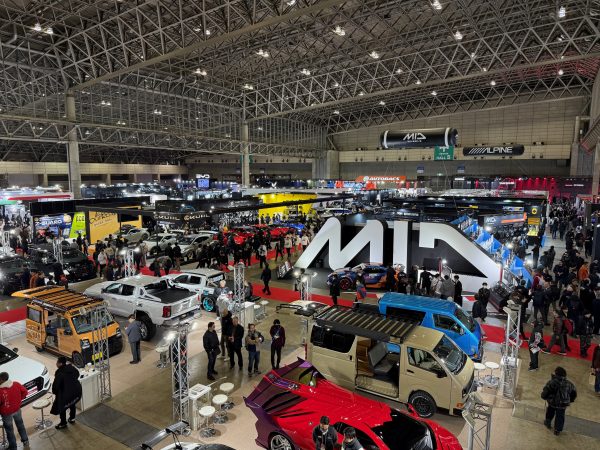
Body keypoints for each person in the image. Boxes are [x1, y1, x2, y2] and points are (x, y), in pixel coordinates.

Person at [541, 366, 577, 436]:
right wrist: (570, 400)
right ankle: (557, 430)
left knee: (550, 412)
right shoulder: (569, 384)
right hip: (563, 404)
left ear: (556, 374)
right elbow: (574, 394)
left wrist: (544, 396)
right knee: (560, 416)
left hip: (552, 402)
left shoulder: (551, 382)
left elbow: (546, 391)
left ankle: (548, 422)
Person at [50, 356, 82, 430]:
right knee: (72, 404)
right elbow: (77, 374)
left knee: (62, 408)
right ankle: (72, 418)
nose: (56, 364)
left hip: (65, 394)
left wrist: (56, 392)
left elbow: (56, 386)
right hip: (75, 391)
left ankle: (63, 423)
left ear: (60, 363)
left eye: (57, 362)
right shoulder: (71, 368)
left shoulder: (59, 373)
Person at [0, 372, 29, 449]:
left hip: (6, 414)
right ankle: (25, 440)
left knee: (9, 431)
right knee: (20, 425)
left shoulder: (0, 391)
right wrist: (19, 401)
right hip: (17, 410)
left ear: (2, 380)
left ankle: (13, 447)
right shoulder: (16, 384)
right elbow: (25, 392)